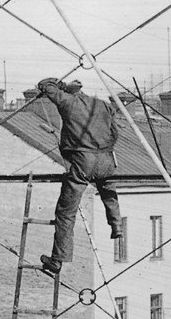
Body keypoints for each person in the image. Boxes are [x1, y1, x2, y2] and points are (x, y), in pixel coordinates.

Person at [36, 78, 124, 276]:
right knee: (109, 192)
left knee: (66, 212)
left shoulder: (68, 102)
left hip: (83, 160)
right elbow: (115, 133)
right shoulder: (103, 105)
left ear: (69, 91)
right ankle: (116, 225)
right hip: (107, 158)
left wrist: (53, 84)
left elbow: (46, 86)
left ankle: (58, 259)